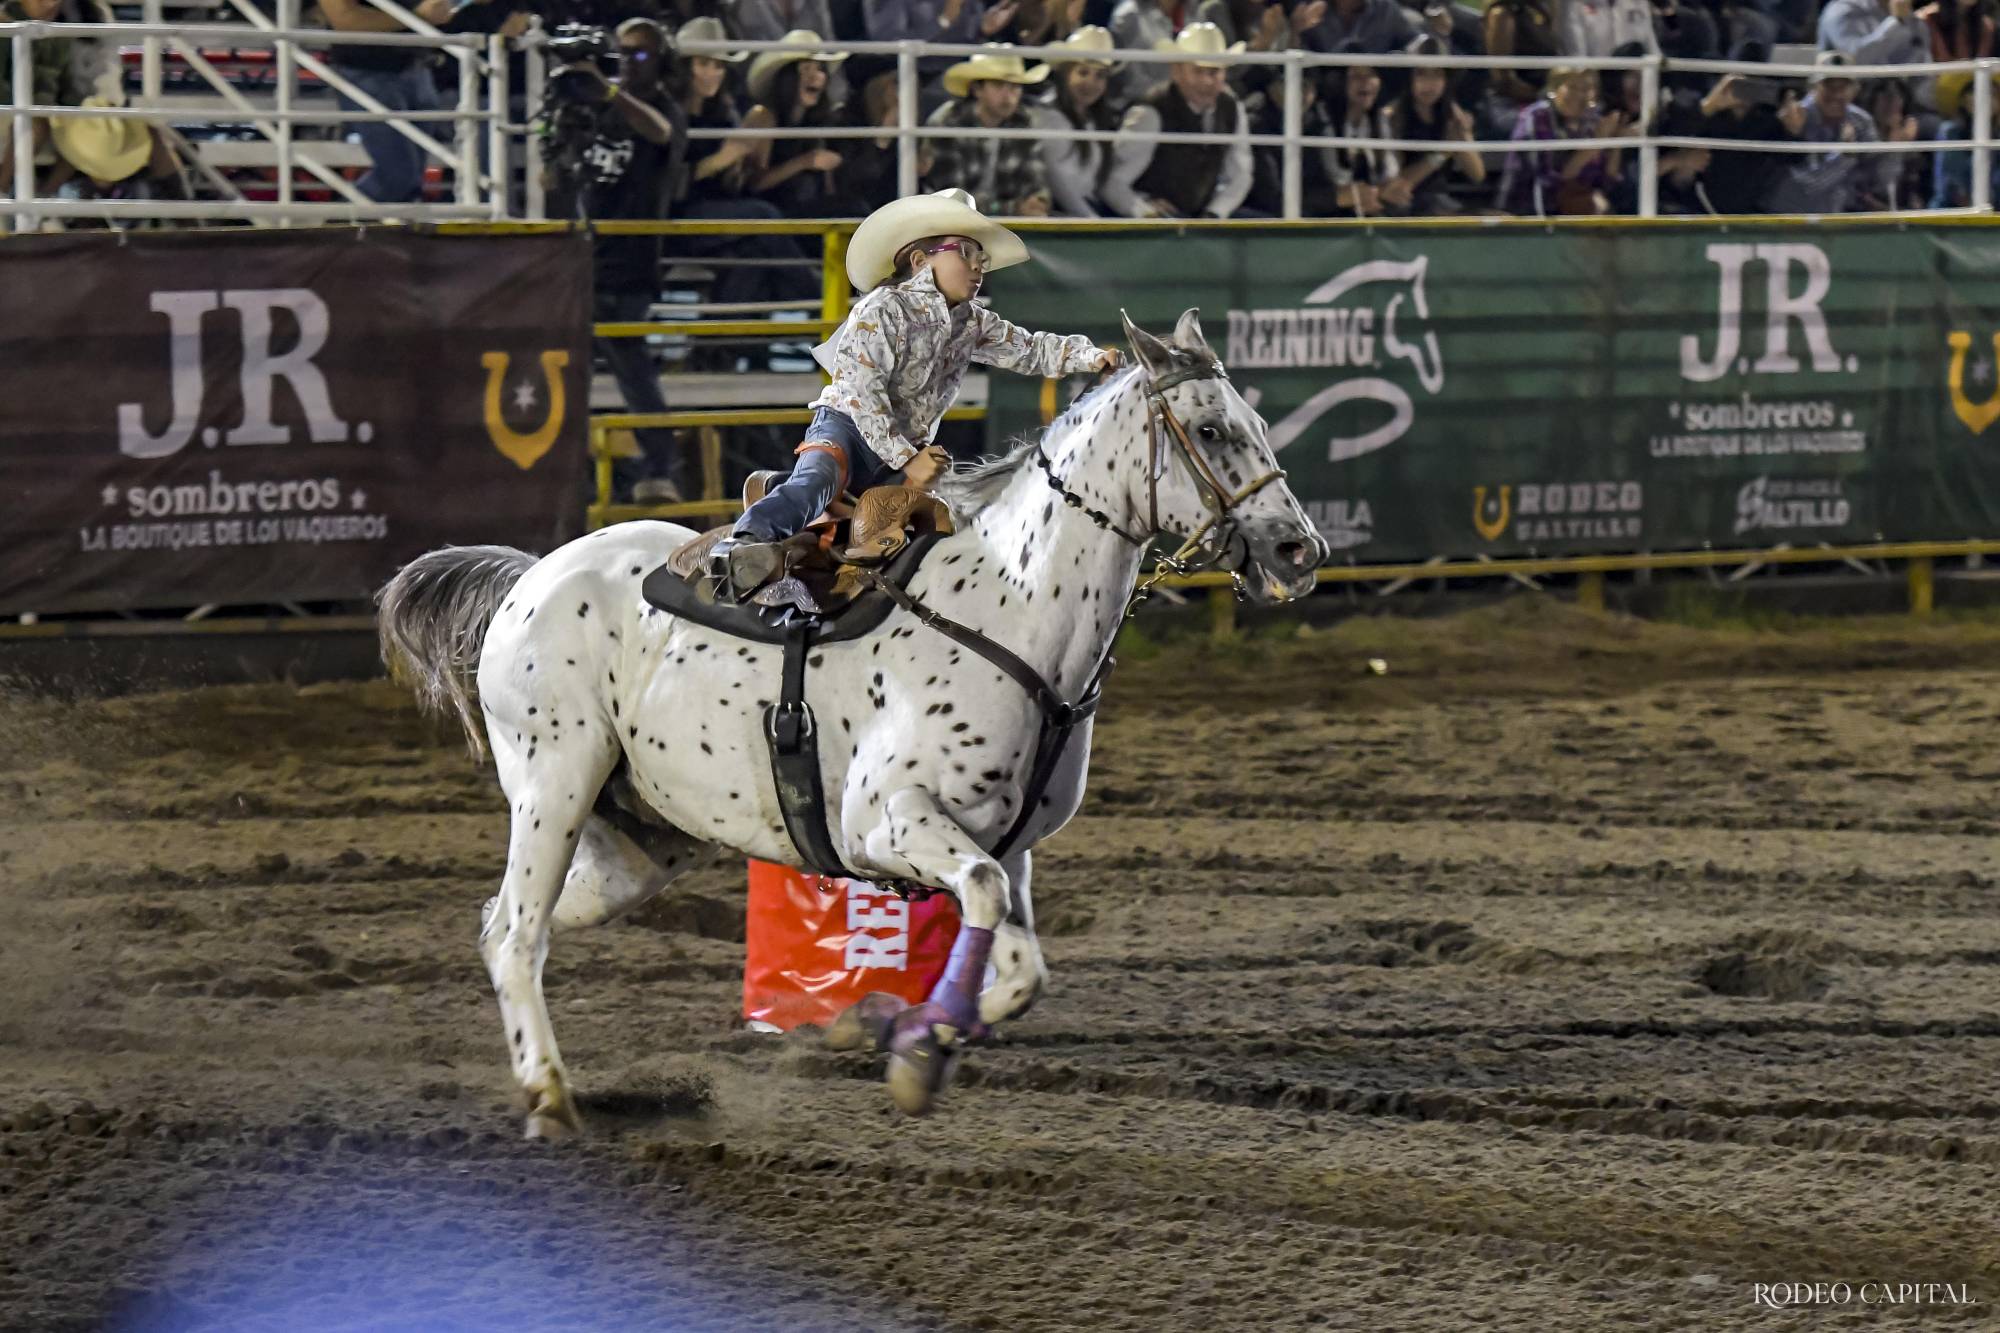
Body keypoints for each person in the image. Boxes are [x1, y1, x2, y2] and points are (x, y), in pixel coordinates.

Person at [706, 188, 1120, 603]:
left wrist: (1090, 356)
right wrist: (908, 459)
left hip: (904, 446)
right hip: (848, 429)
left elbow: (1029, 348)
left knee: (940, 519)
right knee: (818, 478)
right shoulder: (880, 309)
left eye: (982, 259)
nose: (978, 266)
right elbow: (863, 396)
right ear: (921, 261)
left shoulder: (972, 322)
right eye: (964, 253)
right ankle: (742, 545)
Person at [548, 18, 688, 502]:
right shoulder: (593, 107)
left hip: (630, 258)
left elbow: (661, 131)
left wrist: (607, 93)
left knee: (631, 364)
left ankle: (660, 465)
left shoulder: (659, 107)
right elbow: (554, 176)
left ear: (662, 62)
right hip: (581, 255)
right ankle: (569, 470)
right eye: (622, 53)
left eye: (642, 55)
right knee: (570, 366)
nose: (630, 63)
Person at [672, 17, 821, 335]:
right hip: (676, 216)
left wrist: (737, 166)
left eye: (718, 66)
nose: (712, 73)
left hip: (715, 214)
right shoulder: (670, 112)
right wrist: (723, 158)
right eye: (703, 64)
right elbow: (665, 182)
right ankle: (821, 306)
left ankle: (714, 349)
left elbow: (725, 182)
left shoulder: (720, 111)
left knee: (751, 255)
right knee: (762, 215)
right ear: (684, 67)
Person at [1101, 23, 1255, 217]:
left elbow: (1240, 175)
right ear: (1177, 71)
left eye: (1215, 72)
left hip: (1203, 213)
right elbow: (1113, 181)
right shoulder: (1151, 112)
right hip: (1157, 221)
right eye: (1198, 71)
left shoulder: (1232, 109)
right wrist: (1145, 211)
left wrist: (1215, 213)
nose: (1208, 81)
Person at [319, 0, 453, 203]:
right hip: (368, 68)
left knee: (409, 180)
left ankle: (344, 222)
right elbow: (346, 20)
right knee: (399, 177)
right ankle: (339, 222)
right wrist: (417, 16)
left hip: (414, 65)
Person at [923, 46, 1054, 214]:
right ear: (977, 89)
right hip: (951, 222)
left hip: (1010, 221)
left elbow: (1035, 181)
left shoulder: (1024, 121)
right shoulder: (949, 121)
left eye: (1015, 86)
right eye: (999, 85)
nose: (1009, 96)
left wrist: (1038, 201)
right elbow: (954, 200)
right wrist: (1015, 208)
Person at [743, 29, 861, 215]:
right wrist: (804, 162)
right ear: (788, 77)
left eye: (820, 69)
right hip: (770, 208)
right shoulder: (765, 116)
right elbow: (755, 184)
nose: (816, 76)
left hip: (805, 205)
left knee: (853, 208)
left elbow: (828, 188)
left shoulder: (819, 121)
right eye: (806, 69)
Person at [1378, 34, 1486, 214]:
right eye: (1421, 74)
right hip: (1404, 206)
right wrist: (1441, 153)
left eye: (1437, 75)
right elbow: (1395, 186)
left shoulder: (1451, 113)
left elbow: (1477, 174)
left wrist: (1461, 138)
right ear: (1409, 78)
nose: (1429, 85)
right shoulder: (1393, 117)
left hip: (1441, 200)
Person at [1499, 64, 1629, 214]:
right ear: (1553, 89)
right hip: (1529, 208)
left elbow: (1609, 179)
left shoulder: (1591, 121)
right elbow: (1551, 178)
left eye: (1587, 88)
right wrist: (1597, 142)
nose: (1580, 95)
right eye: (1572, 87)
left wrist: (1618, 140)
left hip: (1580, 208)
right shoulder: (1535, 118)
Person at [1766, 51, 1881, 211]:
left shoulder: (1861, 121)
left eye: (1843, 86)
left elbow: (1876, 177)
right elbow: (1807, 186)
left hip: (1843, 215)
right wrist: (1845, 155)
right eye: (1828, 85)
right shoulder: (1793, 118)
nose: (1836, 94)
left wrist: (1897, 147)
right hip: (1793, 216)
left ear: (1855, 90)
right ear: (1812, 87)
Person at [1033, 26, 1124, 215]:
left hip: (1087, 208)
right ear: (1066, 73)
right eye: (1083, 72)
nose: (1091, 83)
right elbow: (1059, 183)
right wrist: (1092, 222)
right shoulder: (1048, 115)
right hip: (1061, 213)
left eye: (1100, 76)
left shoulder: (1095, 119)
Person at [1933, 67, 2000, 204]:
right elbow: (1949, 182)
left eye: (1993, 93)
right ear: (1964, 100)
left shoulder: (1997, 135)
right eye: (1978, 92)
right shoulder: (1949, 132)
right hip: (1952, 210)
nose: (1987, 99)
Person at [1818, 0, 1929, 64]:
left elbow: (1918, 74)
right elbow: (1855, 60)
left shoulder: (1914, 22)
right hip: (1843, 99)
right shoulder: (1842, 10)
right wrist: (1897, 22)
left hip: (1897, 98)